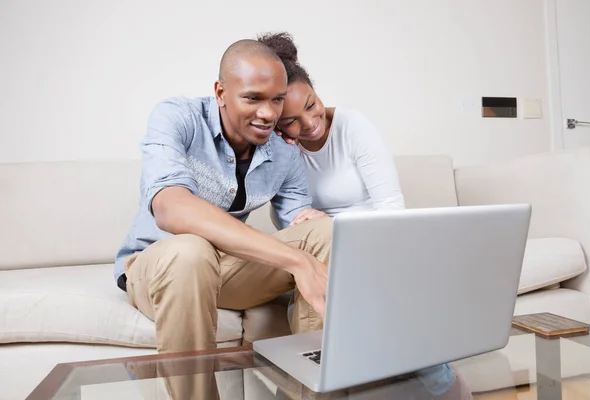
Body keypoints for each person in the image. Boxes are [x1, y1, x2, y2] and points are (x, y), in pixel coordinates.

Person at [258, 32, 472, 400]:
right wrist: (316, 229)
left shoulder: (352, 126)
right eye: (291, 121)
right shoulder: (279, 151)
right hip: (320, 254)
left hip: (378, 243)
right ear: (277, 123)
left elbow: (391, 208)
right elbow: (289, 224)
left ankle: (445, 388)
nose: (309, 123)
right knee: (320, 289)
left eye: (312, 104)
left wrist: (330, 225)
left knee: (381, 297)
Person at [114, 38, 331, 399]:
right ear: (221, 92)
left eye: (276, 100)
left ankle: (312, 393)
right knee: (190, 251)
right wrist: (297, 260)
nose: (268, 113)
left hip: (226, 269)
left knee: (324, 233)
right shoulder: (178, 117)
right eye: (253, 98)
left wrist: (309, 224)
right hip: (160, 267)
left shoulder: (282, 150)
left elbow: (300, 224)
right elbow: (171, 207)